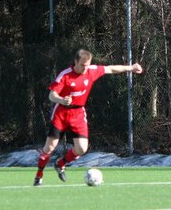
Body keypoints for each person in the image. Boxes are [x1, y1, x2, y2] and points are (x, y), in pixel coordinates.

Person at [33, 49, 143, 186]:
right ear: (75, 62)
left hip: (78, 114)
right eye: (82, 65)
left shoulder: (91, 71)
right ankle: (39, 176)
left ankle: (60, 164)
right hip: (61, 114)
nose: (85, 68)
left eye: (88, 65)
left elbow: (111, 69)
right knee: (49, 148)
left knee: (82, 148)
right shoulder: (65, 75)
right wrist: (61, 100)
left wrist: (131, 67)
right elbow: (51, 95)